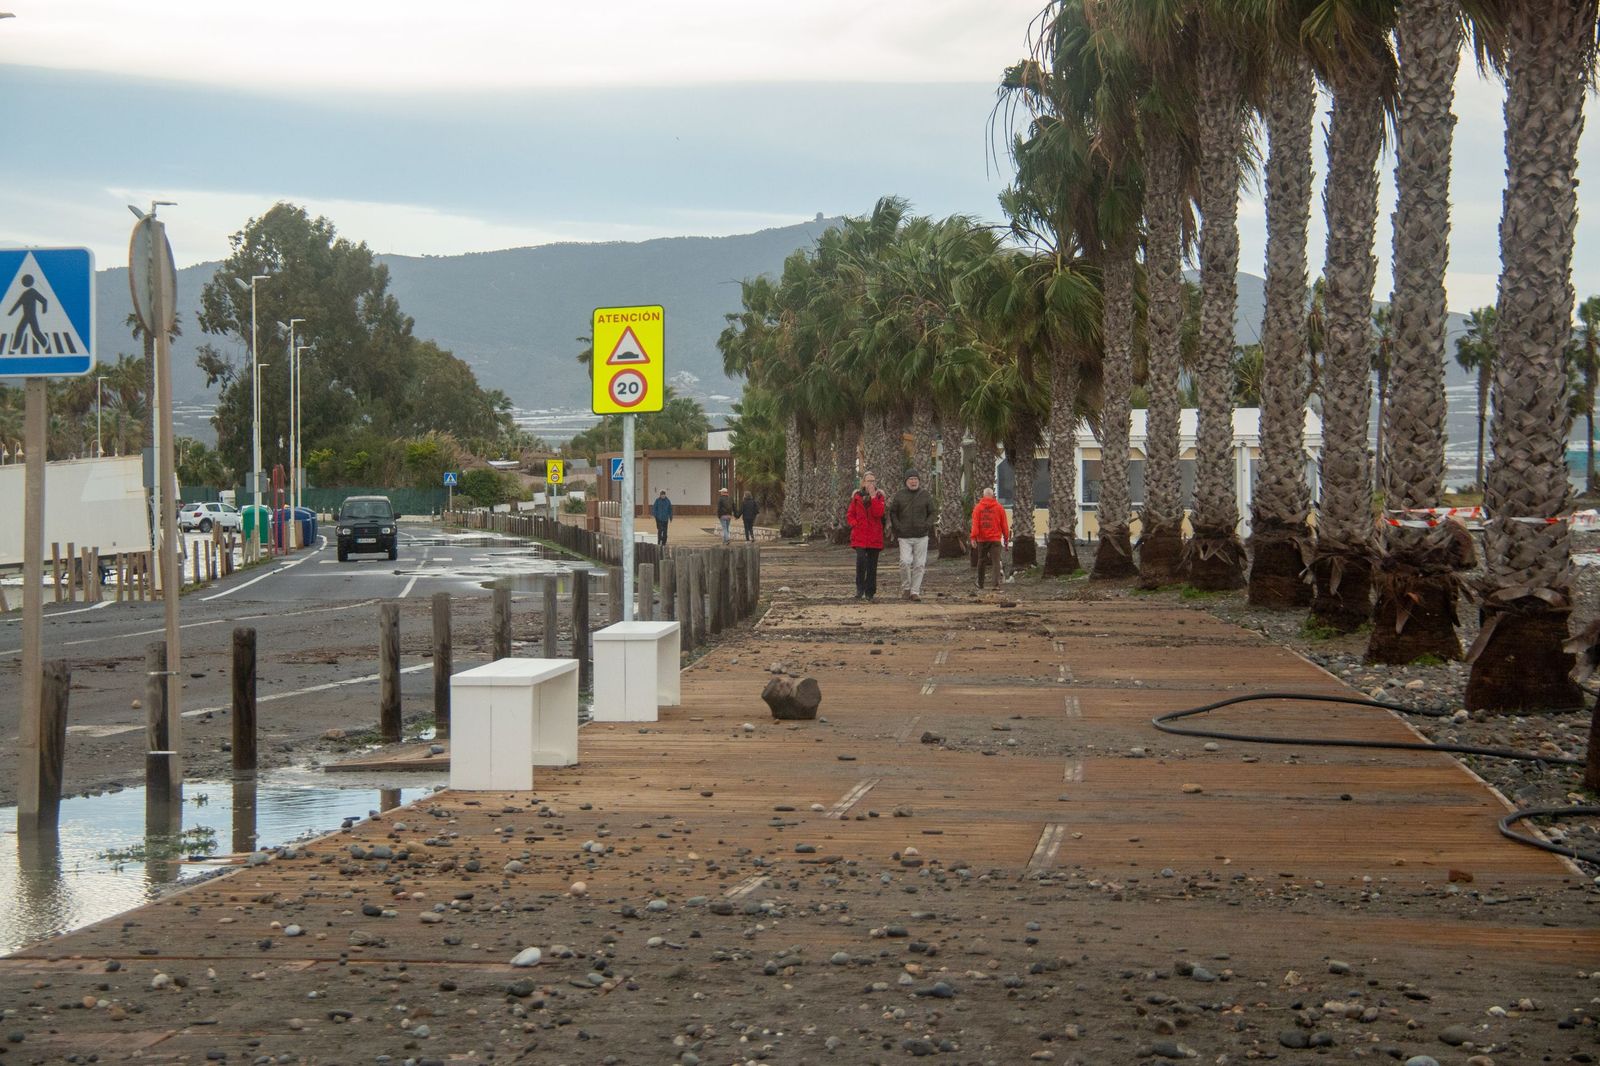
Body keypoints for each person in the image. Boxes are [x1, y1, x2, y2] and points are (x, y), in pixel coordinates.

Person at [889, 469, 935, 601]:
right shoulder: (899, 495)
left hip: (922, 535)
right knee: (905, 562)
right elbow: (893, 512)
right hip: (904, 536)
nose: (913, 481)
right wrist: (898, 527)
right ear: (906, 481)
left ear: (919, 481)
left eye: (915, 479)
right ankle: (906, 588)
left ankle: (915, 592)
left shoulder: (925, 495)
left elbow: (932, 512)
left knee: (919, 564)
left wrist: (927, 525)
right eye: (911, 479)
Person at [846, 471, 886, 600]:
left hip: (874, 536)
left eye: (873, 481)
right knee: (861, 561)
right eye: (868, 481)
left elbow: (878, 513)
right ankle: (859, 589)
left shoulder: (879, 497)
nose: (871, 483)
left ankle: (870, 592)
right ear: (863, 483)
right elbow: (850, 514)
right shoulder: (856, 497)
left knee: (872, 565)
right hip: (860, 535)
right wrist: (854, 524)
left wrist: (874, 497)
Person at [970, 487, 1010, 590]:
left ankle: (980, 583)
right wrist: (1006, 538)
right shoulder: (999, 507)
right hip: (995, 539)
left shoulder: (978, 508)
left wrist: (973, 537)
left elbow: (975, 524)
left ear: (983, 496)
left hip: (982, 539)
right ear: (993, 496)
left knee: (981, 560)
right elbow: (1004, 524)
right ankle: (995, 584)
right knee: (996, 561)